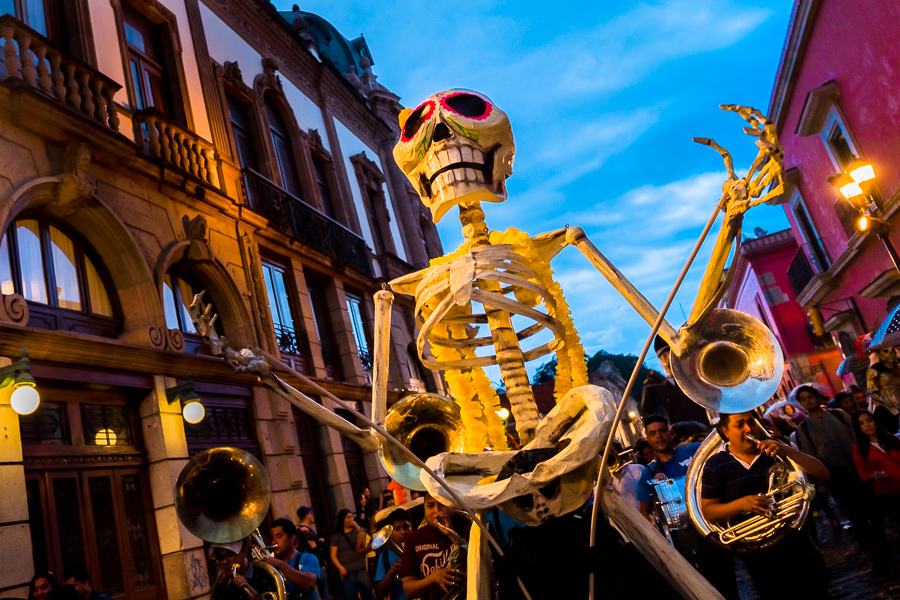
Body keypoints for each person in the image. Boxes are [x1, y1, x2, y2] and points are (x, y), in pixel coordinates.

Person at [700, 411, 830, 599]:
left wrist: (787, 450)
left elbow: (823, 475)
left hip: (800, 545)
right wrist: (742, 504)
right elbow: (709, 512)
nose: (749, 429)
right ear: (725, 432)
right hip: (760, 558)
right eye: (740, 425)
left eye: (752, 422)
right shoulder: (715, 464)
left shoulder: (779, 449)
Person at [636, 414, 737, 600]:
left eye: (662, 430)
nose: (659, 436)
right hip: (685, 549)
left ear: (670, 432)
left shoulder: (694, 451)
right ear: (648, 438)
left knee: (729, 589)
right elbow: (644, 513)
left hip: (714, 535)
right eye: (653, 433)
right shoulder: (648, 474)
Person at [795, 384, 876, 547]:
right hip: (836, 477)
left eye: (810, 397)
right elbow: (811, 458)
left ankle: (878, 536)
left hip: (858, 469)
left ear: (818, 398)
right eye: (803, 399)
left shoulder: (839, 415)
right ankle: (867, 543)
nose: (808, 401)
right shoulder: (803, 429)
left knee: (871, 505)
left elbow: (856, 437)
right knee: (853, 512)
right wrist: (821, 483)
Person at [399, 493, 460, 600]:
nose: (437, 511)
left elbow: (479, 565)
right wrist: (434, 578)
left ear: (452, 506)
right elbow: (408, 590)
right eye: (431, 505)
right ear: (425, 509)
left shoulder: (467, 526)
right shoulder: (414, 538)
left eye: (442, 504)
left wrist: (452, 534)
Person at [640, 335, 710, 424]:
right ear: (659, 359)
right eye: (663, 355)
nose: (668, 358)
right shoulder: (656, 386)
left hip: (703, 428)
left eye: (670, 353)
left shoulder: (693, 378)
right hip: (677, 433)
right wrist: (649, 389)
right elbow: (648, 413)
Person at [852, 411, 900, 535]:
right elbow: (862, 475)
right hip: (889, 494)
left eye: (869, 420)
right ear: (858, 428)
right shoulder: (859, 449)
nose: (867, 425)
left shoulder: (891, 439)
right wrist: (872, 476)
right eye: (861, 423)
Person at [263, 518, 320, 600]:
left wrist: (280, 565)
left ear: (292, 538)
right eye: (272, 538)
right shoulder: (271, 564)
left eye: (279, 536)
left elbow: (309, 584)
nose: (273, 542)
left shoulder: (308, 558)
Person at [210, 539, 279, 600]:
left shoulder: (265, 575)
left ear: (244, 552)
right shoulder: (221, 587)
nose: (224, 562)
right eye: (221, 558)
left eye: (230, 555)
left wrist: (250, 590)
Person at [330, 508, 375, 600]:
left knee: (367, 594)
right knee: (351, 595)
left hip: (361, 568)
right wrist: (340, 567)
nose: (351, 519)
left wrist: (357, 527)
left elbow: (365, 541)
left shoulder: (357, 532)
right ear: (343, 520)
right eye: (348, 518)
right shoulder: (336, 536)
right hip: (347, 571)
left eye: (352, 517)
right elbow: (333, 555)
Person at [374, 509, 412, 600]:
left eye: (406, 527)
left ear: (412, 527)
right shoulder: (384, 557)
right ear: (390, 533)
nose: (403, 532)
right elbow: (382, 592)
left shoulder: (420, 548)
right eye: (397, 528)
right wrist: (391, 572)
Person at [296, 506, 329, 600]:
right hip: (317, 565)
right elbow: (314, 548)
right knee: (323, 595)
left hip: (312, 566)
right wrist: (321, 544)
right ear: (307, 515)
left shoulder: (304, 530)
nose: (312, 516)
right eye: (311, 514)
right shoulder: (306, 531)